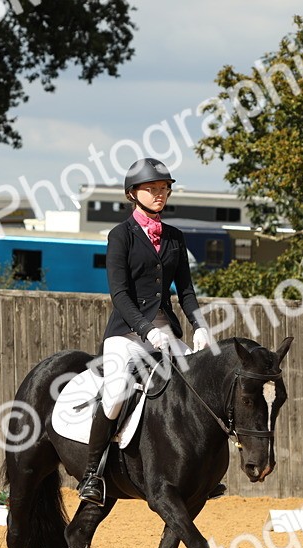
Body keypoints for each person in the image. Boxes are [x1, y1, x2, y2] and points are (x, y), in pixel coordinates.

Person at [76, 157, 223, 505]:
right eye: (153, 189)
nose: (160, 194)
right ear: (133, 193)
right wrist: (144, 329)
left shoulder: (174, 237)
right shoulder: (120, 235)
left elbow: (185, 292)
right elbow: (119, 294)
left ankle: (204, 473)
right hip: (126, 333)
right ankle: (92, 475)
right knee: (114, 394)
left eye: (164, 188)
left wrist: (200, 327)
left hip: (167, 334)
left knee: (202, 388)